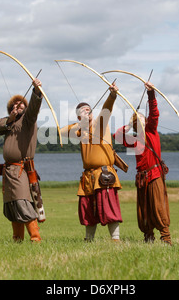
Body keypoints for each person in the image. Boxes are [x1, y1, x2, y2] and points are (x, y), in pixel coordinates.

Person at [60, 83, 123, 242]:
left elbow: (106, 110)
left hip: (104, 174)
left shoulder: (100, 124)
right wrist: (81, 124)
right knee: (88, 209)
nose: (87, 112)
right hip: (88, 176)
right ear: (78, 117)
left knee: (109, 208)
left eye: (89, 110)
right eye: (83, 111)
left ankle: (115, 240)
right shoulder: (79, 131)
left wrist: (112, 95)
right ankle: (88, 240)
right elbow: (61, 131)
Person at [113, 81, 172, 245]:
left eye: (142, 117)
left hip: (154, 175)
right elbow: (117, 137)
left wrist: (151, 94)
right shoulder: (134, 138)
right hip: (141, 177)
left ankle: (166, 238)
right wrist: (125, 127)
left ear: (146, 121)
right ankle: (148, 237)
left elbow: (154, 114)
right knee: (143, 209)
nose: (141, 119)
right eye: (137, 118)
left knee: (158, 206)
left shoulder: (151, 130)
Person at [0, 78, 44, 243]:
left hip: (21, 169)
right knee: (12, 205)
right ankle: (17, 240)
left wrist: (36, 91)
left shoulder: (28, 120)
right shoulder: (8, 123)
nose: (17, 107)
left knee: (23, 202)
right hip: (8, 171)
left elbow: (34, 108)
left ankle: (35, 238)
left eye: (21, 105)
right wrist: (10, 119)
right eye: (14, 106)